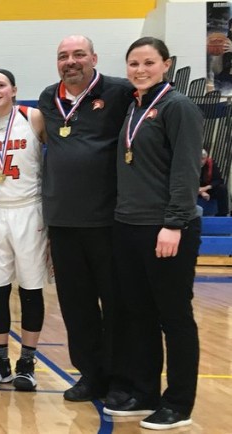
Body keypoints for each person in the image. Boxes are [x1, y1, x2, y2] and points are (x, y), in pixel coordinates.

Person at [104, 37, 202, 431]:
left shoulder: (179, 107)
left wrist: (175, 223)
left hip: (166, 229)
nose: (140, 69)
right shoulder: (134, 106)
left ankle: (178, 402)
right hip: (128, 226)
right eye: (133, 63)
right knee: (138, 315)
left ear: (167, 64)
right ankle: (144, 392)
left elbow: (185, 170)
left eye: (148, 62)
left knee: (174, 317)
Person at [37, 35, 134, 401]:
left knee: (116, 305)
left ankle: (121, 379)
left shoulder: (120, 92)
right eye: (63, 56)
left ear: (94, 57)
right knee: (76, 308)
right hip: (63, 223)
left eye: (79, 54)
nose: (71, 61)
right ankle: (90, 375)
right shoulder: (49, 98)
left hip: (108, 222)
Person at [0, 69, 48, 391]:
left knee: (31, 289)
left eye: (0, 85)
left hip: (28, 209)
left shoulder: (33, 118)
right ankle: (0, 360)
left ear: (14, 89)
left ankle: (27, 361)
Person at [198, 149, 229, 216]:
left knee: (222, 188)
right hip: (194, 190)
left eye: (203, 159)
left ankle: (222, 214)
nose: (201, 161)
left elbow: (218, 180)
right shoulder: (191, 165)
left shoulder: (211, 164)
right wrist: (201, 192)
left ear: (206, 158)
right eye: (199, 158)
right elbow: (188, 182)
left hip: (208, 189)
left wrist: (206, 188)